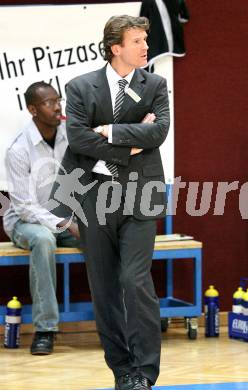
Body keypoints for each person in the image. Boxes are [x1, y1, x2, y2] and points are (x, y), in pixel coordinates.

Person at [52, 15, 170, 390]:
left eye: (145, 40)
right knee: (103, 289)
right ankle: (124, 372)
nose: (145, 47)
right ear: (115, 47)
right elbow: (78, 141)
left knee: (134, 282)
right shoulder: (80, 87)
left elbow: (160, 131)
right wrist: (132, 143)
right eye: (137, 41)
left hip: (141, 196)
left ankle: (146, 372)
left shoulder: (155, 84)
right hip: (94, 197)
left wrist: (112, 131)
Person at [3, 81, 80, 356]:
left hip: (64, 215)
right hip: (26, 222)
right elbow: (24, 207)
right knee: (45, 240)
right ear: (33, 109)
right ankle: (45, 330)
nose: (57, 106)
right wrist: (66, 224)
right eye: (49, 102)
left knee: (103, 235)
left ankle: (117, 320)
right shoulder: (19, 149)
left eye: (58, 100)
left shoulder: (69, 136)